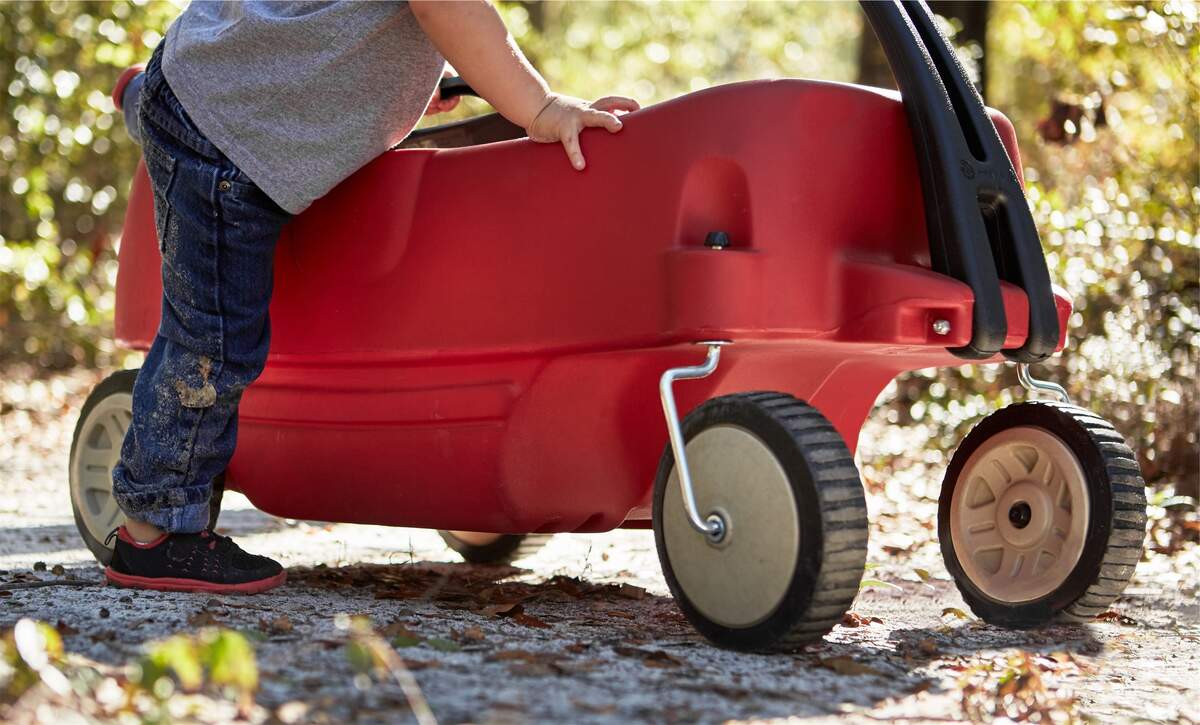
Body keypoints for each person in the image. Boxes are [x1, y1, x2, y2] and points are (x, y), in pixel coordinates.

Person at [105, 0, 640, 594]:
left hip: (234, 92)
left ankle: (145, 100)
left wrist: (405, 76)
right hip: (227, 137)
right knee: (216, 337)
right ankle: (155, 528)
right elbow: (446, 8)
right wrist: (539, 108)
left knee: (178, 112)